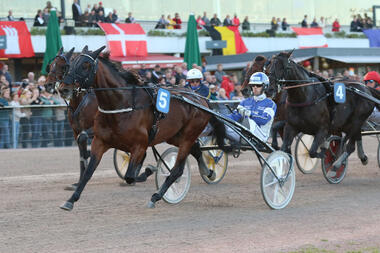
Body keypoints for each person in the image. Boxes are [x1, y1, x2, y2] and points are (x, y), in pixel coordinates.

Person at [226, 72, 276, 142]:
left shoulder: (270, 103)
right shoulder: (245, 102)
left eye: (258, 85)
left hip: (261, 136)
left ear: (264, 86)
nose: (255, 87)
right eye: (253, 85)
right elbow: (234, 116)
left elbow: (264, 120)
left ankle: (244, 139)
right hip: (244, 133)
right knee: (223, 125)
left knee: (249, 120)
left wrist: (249, 114)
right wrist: (220, 117)